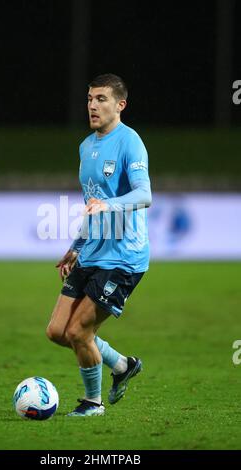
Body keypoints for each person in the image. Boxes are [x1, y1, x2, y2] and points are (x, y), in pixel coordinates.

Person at [46, 73, 152, 416]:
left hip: (123, 257)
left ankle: (93, 403)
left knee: (79, 331)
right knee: (58, 331)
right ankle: (121, 365)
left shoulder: (130, 142)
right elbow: (93, 200)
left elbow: (144, 194)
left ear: (120, 104)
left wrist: (111, 205)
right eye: (90, 99)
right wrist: (76, 245)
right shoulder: (85, 146)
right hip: (92, 250)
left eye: (101, 99)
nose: (93, 105)